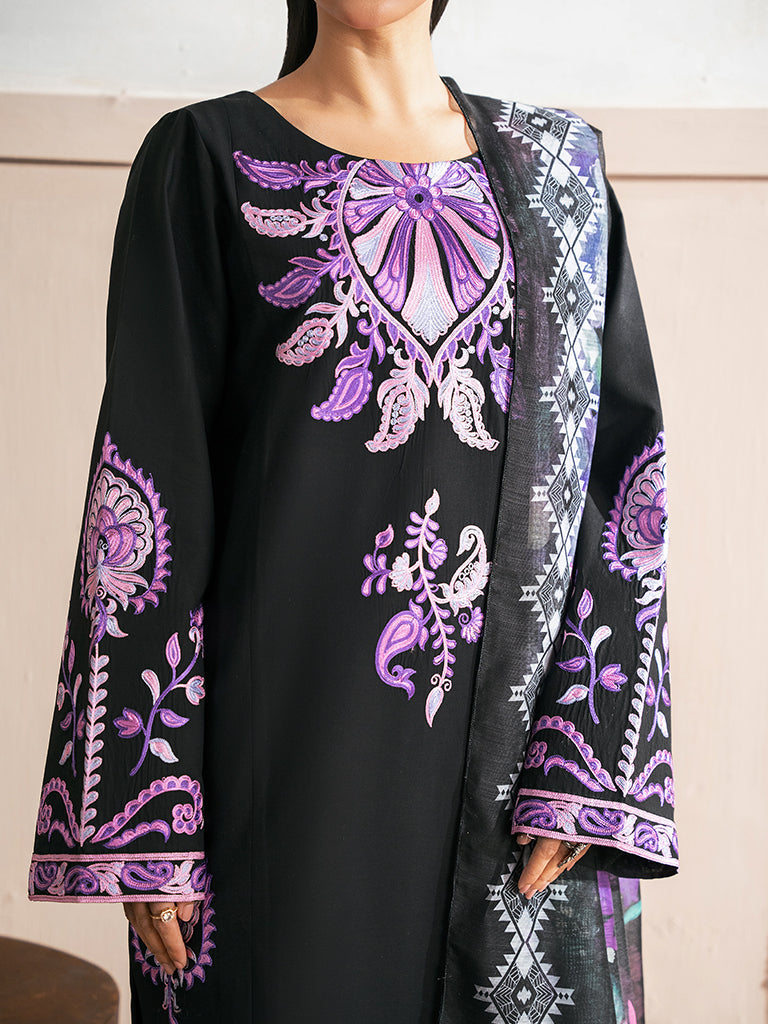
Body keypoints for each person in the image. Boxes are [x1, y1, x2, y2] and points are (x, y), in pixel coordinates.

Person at [28, 1, 678, 1022]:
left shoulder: (561, 174)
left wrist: (588, 760)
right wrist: (146, 814)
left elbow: (621, 475)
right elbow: (146, 487)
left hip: (513, 789)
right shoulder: (206, 160)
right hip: (277, 775)